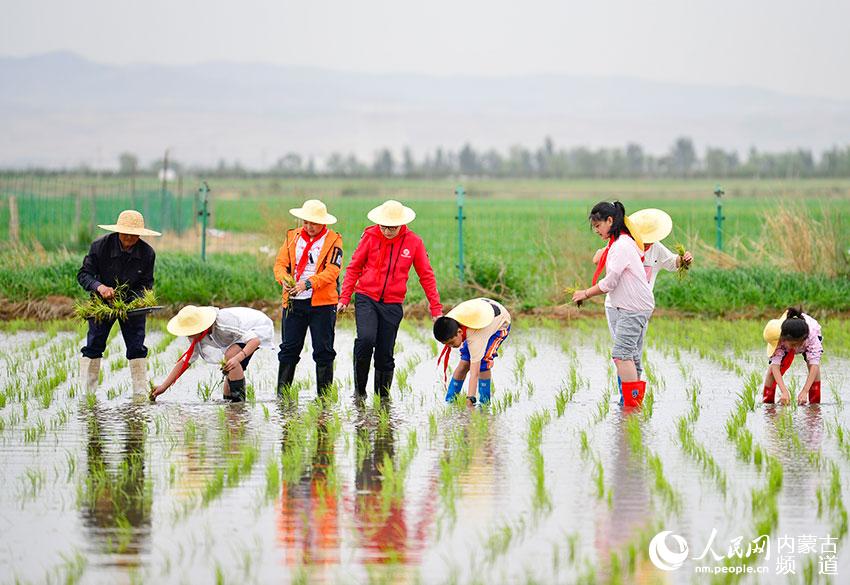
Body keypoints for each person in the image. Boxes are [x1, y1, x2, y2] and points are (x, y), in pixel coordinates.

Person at [338, 200, 442, 398]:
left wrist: (436, 308)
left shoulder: (414, 242)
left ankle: (382, 400)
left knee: (385, 353)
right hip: (366, 298)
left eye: (392, 227)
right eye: (384, 226)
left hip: (392, 304)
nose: (387, 231)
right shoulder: (369, 236)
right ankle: (359, 393)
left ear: (401, 224)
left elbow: (426, 275)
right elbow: (354, 268)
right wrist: (345, 297)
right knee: (366, 340)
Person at [593, 208, 693, 404]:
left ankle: (633, 398)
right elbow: (597, 258)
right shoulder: (623, 245)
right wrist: (608, 250)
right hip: (617, 307)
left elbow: (673, 262)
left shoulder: (656, 248)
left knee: (634, 353)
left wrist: (685, 260)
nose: (645, 243)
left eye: (649, 239)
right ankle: (626, 398)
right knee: (624, 353)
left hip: (640, 308)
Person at [572, 201, 654, 408]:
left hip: (633, 308)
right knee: (631, 356)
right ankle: (632, 404)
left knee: (622, 354)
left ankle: (631, 405)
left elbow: (610, 282)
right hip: (633, 306)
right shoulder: (621, 243)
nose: (597, 231)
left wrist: (585, 293)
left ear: (610, 220)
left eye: (598, 226)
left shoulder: (621, 246)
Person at [77, 210, 160, 393]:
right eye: (125, 233)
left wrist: (138, 301)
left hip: (132, 306)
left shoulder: (147, 253)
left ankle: (139, 395)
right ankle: (87, 394)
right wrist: (100, 287)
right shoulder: (100, 247)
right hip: (102, 303)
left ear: (140, 234)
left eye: (133, 235)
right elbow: (84, 275)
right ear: (117, 231)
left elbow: (146, 284)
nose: (129, 238)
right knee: (93, 346)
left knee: (137, 347)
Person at [273, 199, 343, 396]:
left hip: (322, 304)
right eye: (305, 221)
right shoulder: (292, 238)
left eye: (313, 222)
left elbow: (333, 271)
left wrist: (308, 283)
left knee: (323, 351)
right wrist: (283, 280)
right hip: (294, 303)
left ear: (323, 222)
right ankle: (282, 397)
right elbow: (280, 265)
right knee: (288, 349)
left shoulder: (333, 241)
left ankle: (324, 400)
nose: (308, 226)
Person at [150, 305, 274, 402]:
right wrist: (163, 387)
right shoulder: (194, 334)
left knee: (231, 357)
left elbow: (255, 340)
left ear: (200, 326)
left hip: (257, 327)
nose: (189, 335)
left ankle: (239, 406)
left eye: (190, 331)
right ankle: (231, 407)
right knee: (230, 367)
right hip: (236, 337)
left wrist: (238, 358)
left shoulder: (223, 323)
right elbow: (186, 361)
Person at [434, 298, 511, 406]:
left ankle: (484, 404)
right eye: (446, 344)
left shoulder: (475, 337)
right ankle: (449, 401)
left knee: (483, 362)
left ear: (459, 332)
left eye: (451, 343)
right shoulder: (451, 321)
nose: (450, 347)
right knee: (464, 362)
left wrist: (470, 400)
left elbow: (474, 373)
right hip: (480, 313)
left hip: (500, 323)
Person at [762, 308, 823, 406]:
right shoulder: (778, 338)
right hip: (789, 338)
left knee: (814, 371)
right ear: (782, 339)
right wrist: (784, 392)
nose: (793, 348)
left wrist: (804, 391)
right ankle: (768, 405)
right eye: (791, 345)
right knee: (771, 373)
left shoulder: (812, 338)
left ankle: (814, 407)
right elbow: (775, 367)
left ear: (802, 342)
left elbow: (814, 365)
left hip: (809, 334)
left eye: (795, 345)